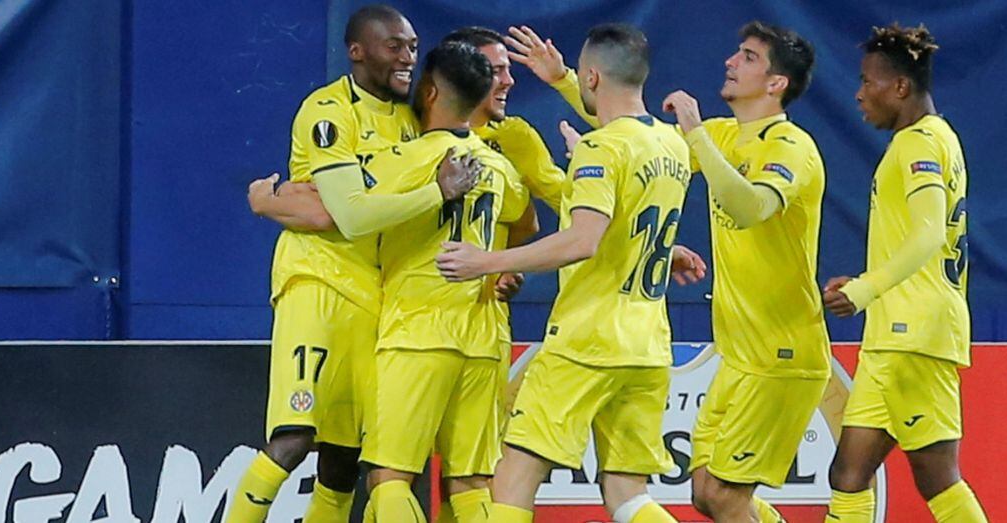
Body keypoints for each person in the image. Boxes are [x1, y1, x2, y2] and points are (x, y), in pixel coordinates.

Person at [511, 20, 830, 521]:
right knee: (707, 494)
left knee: (724, 497)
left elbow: (748, 208)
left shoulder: (789, 146)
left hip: (781, 353)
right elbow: (635, 140)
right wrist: (564, 81)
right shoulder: (725, 135)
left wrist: (698, 135)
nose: (730, 61)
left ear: (776, 83)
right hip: (738, 354)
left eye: (747, 57)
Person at [436, 23, 696, 523]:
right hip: (647, 345)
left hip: (587, 341)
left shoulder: (602, 149)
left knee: (513, 481)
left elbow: (582, 241)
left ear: (592, 76)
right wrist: (562, 80)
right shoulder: (672, 145)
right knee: (628, 494)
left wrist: (486, 261)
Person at [228, 6, 479, 522]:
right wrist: (435, 191)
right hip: (316, 282)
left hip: (377, 296)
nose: (407, 57)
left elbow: (341, 210)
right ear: (357, 51)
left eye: (412, 46)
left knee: (343, 458)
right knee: (295, 438)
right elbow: (349, 214)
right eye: (394, 46)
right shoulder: (328, 112)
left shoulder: (414, 123)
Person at [356, 40, 536, 523]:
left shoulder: (409, 158)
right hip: (483, 335)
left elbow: (346, 210)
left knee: (390, 479)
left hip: (418, 330)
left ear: (430, 92)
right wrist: (501, 265)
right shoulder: (498, 166)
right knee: (472, 483)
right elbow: (528, 223)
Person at [822, 23, 986, 523]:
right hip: (897, 333)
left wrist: (866, 290)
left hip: (912, 334)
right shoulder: (939, 139)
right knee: (848, 474)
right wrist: (865, 281)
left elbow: (930, 233)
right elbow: (913, 238)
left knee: (938, 477)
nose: (859, 92)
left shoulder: (918, 143)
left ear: (900, 86)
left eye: (868, 81)